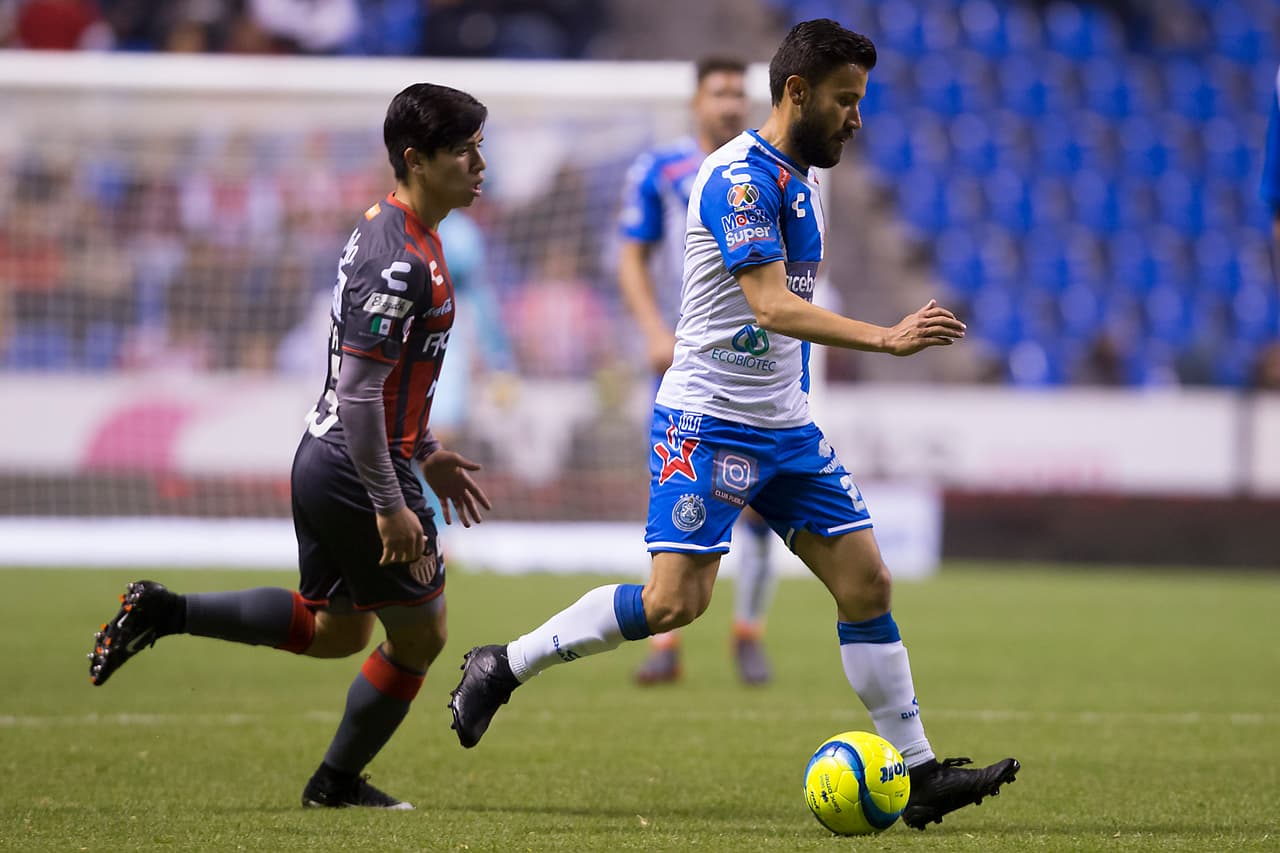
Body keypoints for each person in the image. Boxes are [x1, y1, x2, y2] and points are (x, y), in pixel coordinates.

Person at [447, 19, 1020, 830]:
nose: (857, 117)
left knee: (868, 583)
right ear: (797, 92)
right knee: (675, 603)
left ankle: (920, 771)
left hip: (785, 426)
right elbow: (770, 304)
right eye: (845, 101)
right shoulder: (740, 180)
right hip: (708, 423)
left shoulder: (802, 173)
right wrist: (885, 336)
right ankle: (502, 664)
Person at [87, 82, 493, 810]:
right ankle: (334, 784)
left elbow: (383, 374)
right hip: (356, 466)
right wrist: (390, 501)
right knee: (422, 636)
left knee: (338, 629)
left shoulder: (400, 232)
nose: (478, 162)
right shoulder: (399, 258)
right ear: (416, 159)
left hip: (337, 455)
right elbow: (362, 392)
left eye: (478, 145)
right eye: (462, 149)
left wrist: (426, 447)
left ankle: (164, 610)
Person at [617, 56, 776, 686]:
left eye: (740, 93)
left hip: (753, 363)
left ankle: (748, 634)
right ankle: (666, 645)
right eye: (720, 92)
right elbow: (631, 258)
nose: (731, 104)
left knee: (761, 501)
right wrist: (654, 330)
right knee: (676, 495)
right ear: (695, 103)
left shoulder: (768, 171)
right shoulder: (662, 170)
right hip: (684, 361)